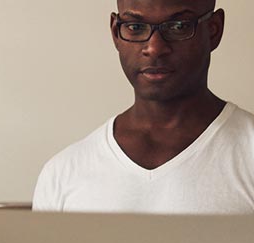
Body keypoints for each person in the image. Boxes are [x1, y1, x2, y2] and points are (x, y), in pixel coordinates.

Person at [33, 0, 254, 213]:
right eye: (135, 27)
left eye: (178, 26)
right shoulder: (63, 173)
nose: (155, 48)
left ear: (214, 30)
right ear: (115, 33)